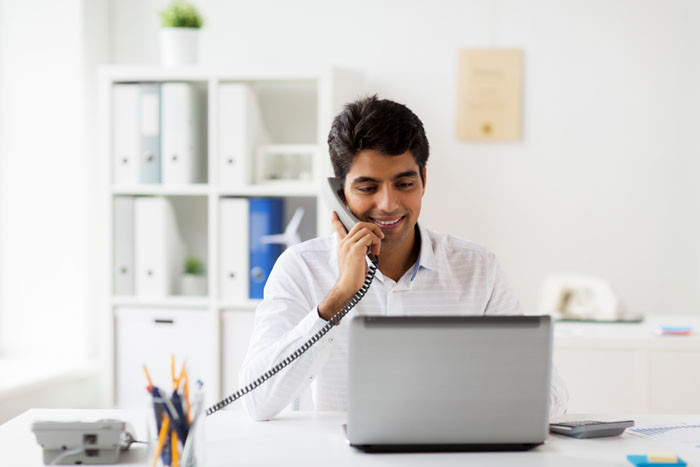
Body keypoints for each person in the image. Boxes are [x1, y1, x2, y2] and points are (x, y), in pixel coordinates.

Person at [240, 95, 568, 421]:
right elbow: (257, 402)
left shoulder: (477, 267)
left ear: (423, 181)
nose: (388, 203)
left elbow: (550, 397)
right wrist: (338, 299)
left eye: (404, 183)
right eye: (367, 188)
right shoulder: (301, 267)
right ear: (340, 195)